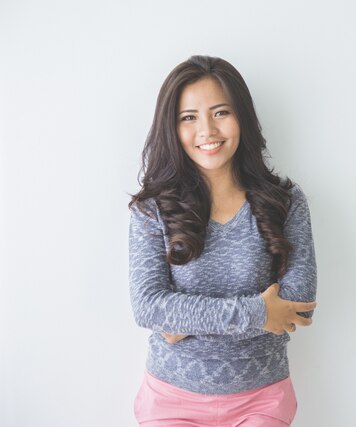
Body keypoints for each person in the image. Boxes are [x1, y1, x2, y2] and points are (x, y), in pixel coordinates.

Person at [127, 55, 318, 427]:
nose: (207, 131)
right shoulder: (151, 210)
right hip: (170, 399)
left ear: (242, 116)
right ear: (172, 127)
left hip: (263, 399)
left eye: (220, 112)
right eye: (189, 117)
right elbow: (149, 308)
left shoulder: (286, 202)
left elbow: (299, 304)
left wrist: (183, 319)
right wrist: (259, 312)